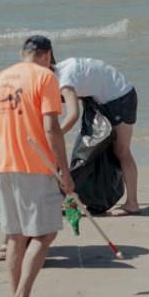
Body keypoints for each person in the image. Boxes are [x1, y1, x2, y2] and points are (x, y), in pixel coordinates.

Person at [0, 35, 75, 297]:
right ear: (47, 55)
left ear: (23, 53)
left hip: (5, 165)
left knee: (15, 236)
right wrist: (64, 170)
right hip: (36, 166)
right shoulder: (45, 77)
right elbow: (52, 129)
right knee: (45, 233)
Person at [55, 56, 140, 216]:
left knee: (121, 151)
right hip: (98, 101)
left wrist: (54, 135)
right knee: (90, 151)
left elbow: (72, 115)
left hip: (120, 98)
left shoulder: (65, 82)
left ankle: (132, 204)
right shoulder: (59, 71)